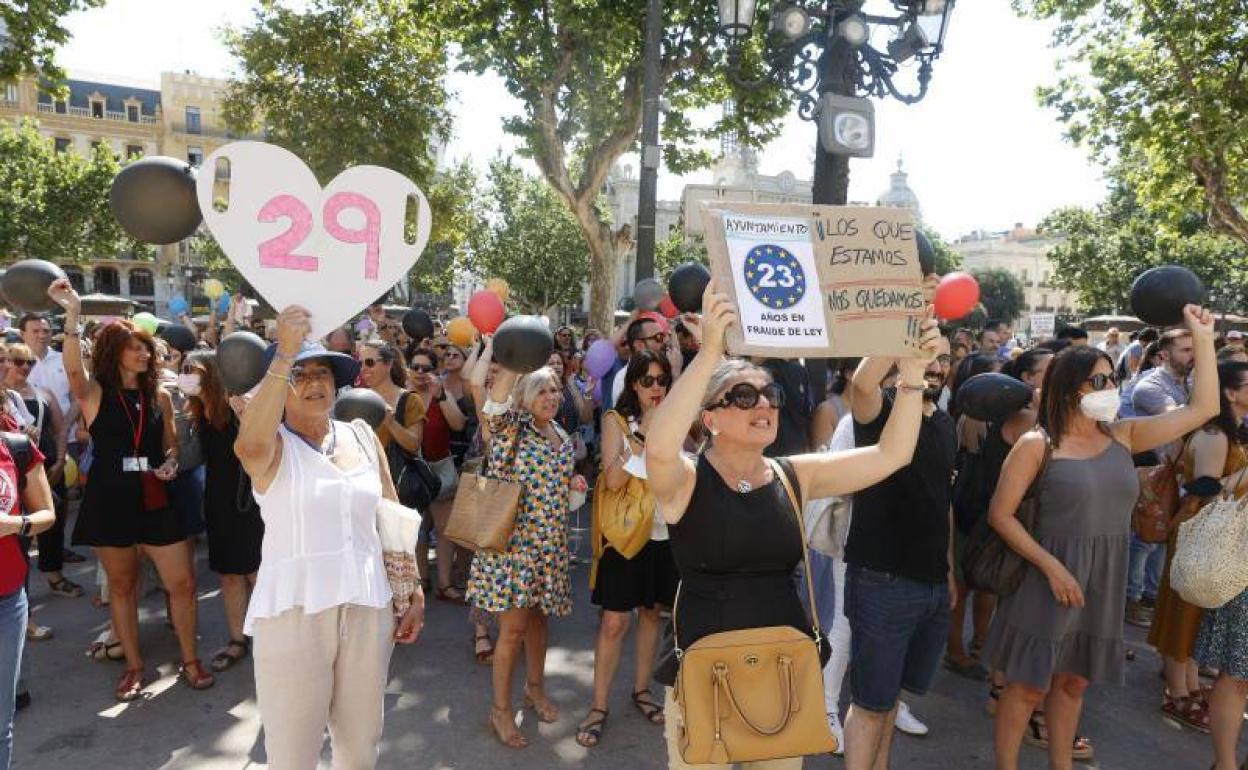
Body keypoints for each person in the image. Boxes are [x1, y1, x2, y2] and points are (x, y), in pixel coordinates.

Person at [646, 282, 940, 770]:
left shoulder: (792, 474)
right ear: (711, 419)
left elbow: (893, 455)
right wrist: (712, 352)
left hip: (782, 670)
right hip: (705, 672)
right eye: (743, 396)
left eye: (771, 394)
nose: (763, 405)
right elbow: (659, 447)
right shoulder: (685, 480)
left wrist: (910, 377)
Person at [983, 304, 1217, 770]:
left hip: (1103, 576)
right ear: (1069, 390)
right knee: (1029, 685)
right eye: (1098, 381)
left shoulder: (1124, 435)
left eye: (1113, 379)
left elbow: (1203, 408)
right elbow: (1000, 516)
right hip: (1046, 575)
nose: (1111, 389)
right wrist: (1052, 568)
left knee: (1074, 682)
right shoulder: (1038, 444)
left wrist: (1204, 340)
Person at [234, 305, 424, 769]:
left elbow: (390, 513)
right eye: (302, 374)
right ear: (279, 384)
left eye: (324, 373)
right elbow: (248, 446)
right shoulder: (271, 446)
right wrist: (284, 355)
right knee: (293, 754)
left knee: (360, 748)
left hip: (366, 605)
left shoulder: (360, 434)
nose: (315, 382)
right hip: (295, 611)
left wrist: (413, 585)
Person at [48, 279, 211, 701]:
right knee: (121, 588)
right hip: (111, 497)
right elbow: (71, 370)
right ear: (114, 351)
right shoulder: (96, 393)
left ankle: (190, 660)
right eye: (135, 346)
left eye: (146, 346)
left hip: (157, 496)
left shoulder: (159, 395)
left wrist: (172, 460)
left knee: (184, 584)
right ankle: (135, 667)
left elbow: (171, 442)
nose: (144, 352)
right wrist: (71, 315)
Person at [842, 337, 957, 770]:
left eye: (944, 357)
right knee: (870, 703)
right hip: (882, 581)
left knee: (889, 700)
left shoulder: (945, 423)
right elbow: (863, 384)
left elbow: (941, 503)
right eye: (927, 354)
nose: (936, 364)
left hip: (930, 584)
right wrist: (901, 333)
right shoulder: (882, 409)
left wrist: (947, 573)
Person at [467, 362, 585, 749]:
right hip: (513, 550)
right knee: (512, 630)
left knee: (538, 624)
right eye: (540, 390)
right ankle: (500, 710)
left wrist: (574, 485)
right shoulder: (510, 429)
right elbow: (486, 394)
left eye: (554, 389)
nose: (550, 397)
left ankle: (535, 689)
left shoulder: (562, 434)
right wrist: (511, 358)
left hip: (550, 547)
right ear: (523, 396)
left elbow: (558, 489)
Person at [575, 350, 677, 748]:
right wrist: (645, 432)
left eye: (662, 380)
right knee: (615, 622)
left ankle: (641, 691)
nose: (656, 387)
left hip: (663, 533)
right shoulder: (615, 420)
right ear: (633, 383)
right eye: (648, 380)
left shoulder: (676, 419)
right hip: (624, 533)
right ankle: (598, 705)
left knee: (652, 614)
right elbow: (614, 480)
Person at [181, 351, 265, 674]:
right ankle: (238, 639)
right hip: (218, 500)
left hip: (250, 499)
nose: (186, 376)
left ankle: (269, 639)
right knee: (229, 574)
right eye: (184, 370)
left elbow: (257, 444)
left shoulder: (236, 404)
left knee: (257, 573)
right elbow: (194, 457)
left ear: (211, 374)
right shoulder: (198, 410)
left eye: (192, 370)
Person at [1190, 366, 1248, 769]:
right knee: (1236, 672)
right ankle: (1225, 764)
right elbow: (1216, 493)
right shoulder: (1221, 434)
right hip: (1241, 563)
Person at [1126, 329, 1195, 628]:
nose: (1192, 355)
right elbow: (1181, 418)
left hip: (1173, 474)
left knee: (1161, 539)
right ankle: (1132, 600)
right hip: (1152, 474)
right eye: (1185, 350)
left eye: (1195, 349)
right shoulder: (1150, 386)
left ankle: (1150, 597)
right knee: (1144, 539)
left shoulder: (1188, 381)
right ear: (1164, 354)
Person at [0, 425, 57, 769]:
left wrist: (14, 524)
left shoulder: (15, 447)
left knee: (1, 723)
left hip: (7, 601)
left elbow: (47, 514)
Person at [3, 344, 78, 598]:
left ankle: (53, 576)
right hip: (12, 470)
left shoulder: (36, 394)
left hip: (40, 463)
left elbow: (58, 428)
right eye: (16, 361)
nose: (23, 367)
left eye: (29, 363)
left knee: (50, 518)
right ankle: (20, 600)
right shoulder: (9, 396)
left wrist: (59, 459)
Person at [21, 315, 82, 565]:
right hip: (25, 445)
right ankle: (30, 546)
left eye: (46, 330)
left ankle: (55, 551)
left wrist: (65, 424)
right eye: (35, 330)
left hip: (65, 439)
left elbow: (79, 394)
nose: (42, 335)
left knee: (60, 496)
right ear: (23, 333)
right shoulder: (13, 361)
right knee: (29, 498)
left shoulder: (63, 360)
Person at [408, 348, 468, 602]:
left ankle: (445, 584)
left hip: (439, 467)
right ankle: (421, 579)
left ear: (435, 370)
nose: (421, 373)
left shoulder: (442, 392)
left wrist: (440, 395)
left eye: (426, 368)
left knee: (445, 529)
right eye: (416, 367)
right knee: (415, 529)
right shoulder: (403, 394)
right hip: (411, 469)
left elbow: (458, 424)